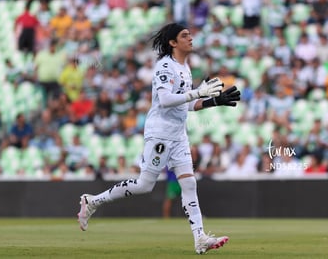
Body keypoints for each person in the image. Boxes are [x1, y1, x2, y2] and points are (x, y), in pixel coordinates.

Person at [77, 23, 240, 254]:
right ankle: (93, 201)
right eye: (185, 36)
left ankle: (200, 238)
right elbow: (164, 100)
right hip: (160, 133)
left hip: (179, 134)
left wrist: (214, 101)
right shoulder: (165, 65)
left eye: (190, 35)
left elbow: (188, 103)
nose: (191, 38)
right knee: (144, 185)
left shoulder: (185, 67)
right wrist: (198, 92)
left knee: (189, 182)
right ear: (173, 42)